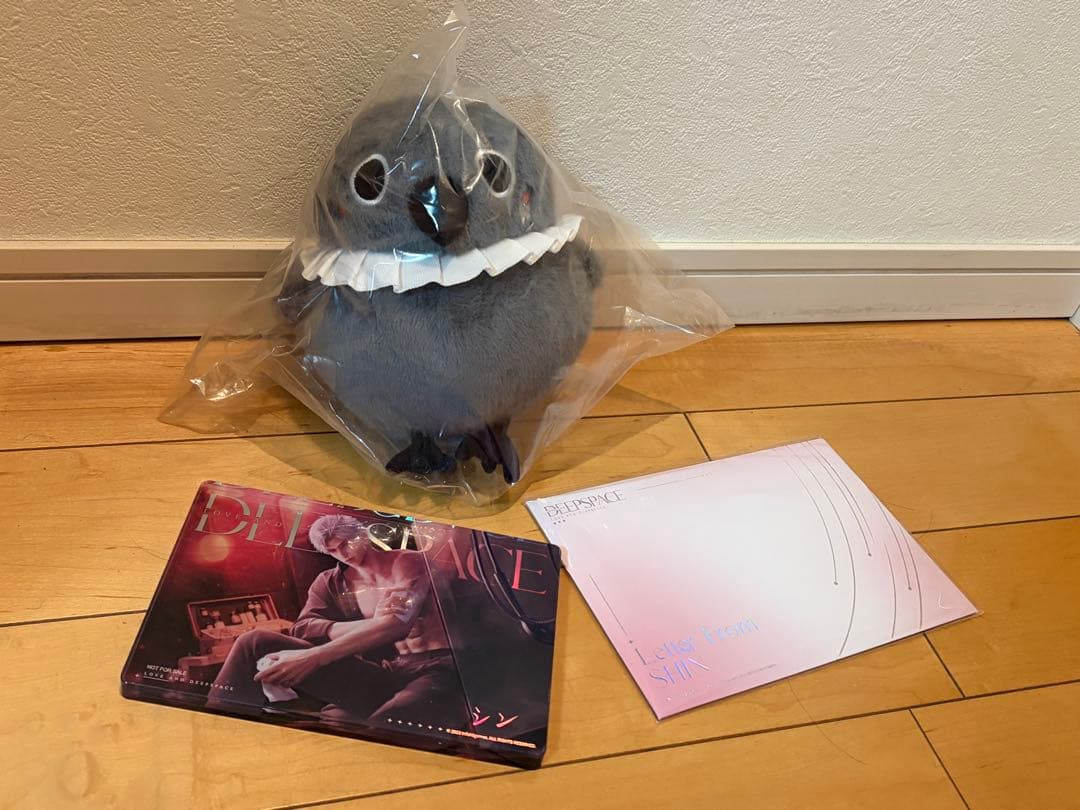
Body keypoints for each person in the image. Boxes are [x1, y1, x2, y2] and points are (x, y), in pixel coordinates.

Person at [206, 514, 465, 727]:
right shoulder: (332, 581)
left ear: (363, 535)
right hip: (392, 670)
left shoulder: (407, 561)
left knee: (380, 725)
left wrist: (313, 657)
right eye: (333, 550)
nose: (343, 553)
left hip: (441, 668)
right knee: (254, 641)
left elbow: (398, 625)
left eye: (346, 543)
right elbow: (303, 628)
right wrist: (370, 625)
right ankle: (215, 722)